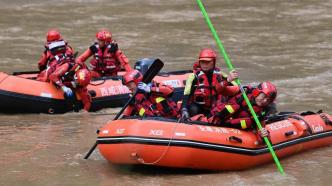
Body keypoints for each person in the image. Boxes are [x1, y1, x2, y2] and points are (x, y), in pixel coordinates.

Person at [181, 48, 239, 121]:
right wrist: (184, 110)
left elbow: (237, 88)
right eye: (202, 62)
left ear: (213, 62)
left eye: (207, 62)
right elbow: (186, 93)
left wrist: (232, 79)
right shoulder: (193, 76)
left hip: (215, 107)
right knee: (193, 109)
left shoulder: (221, 75)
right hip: (199, 107)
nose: (204, 64)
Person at [209, 81, 277, 131]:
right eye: (263, 97)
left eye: (268, 100)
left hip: (233, 128)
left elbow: (260, 132)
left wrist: (264, 134)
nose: (265, 101)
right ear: (257, 92)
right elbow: (217, 90)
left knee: (248, 122)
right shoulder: (243, 91)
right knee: (234, 107)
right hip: (217, 116)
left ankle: (223, 124)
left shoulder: (262, 113)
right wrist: (227, 80)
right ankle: (214, 120)